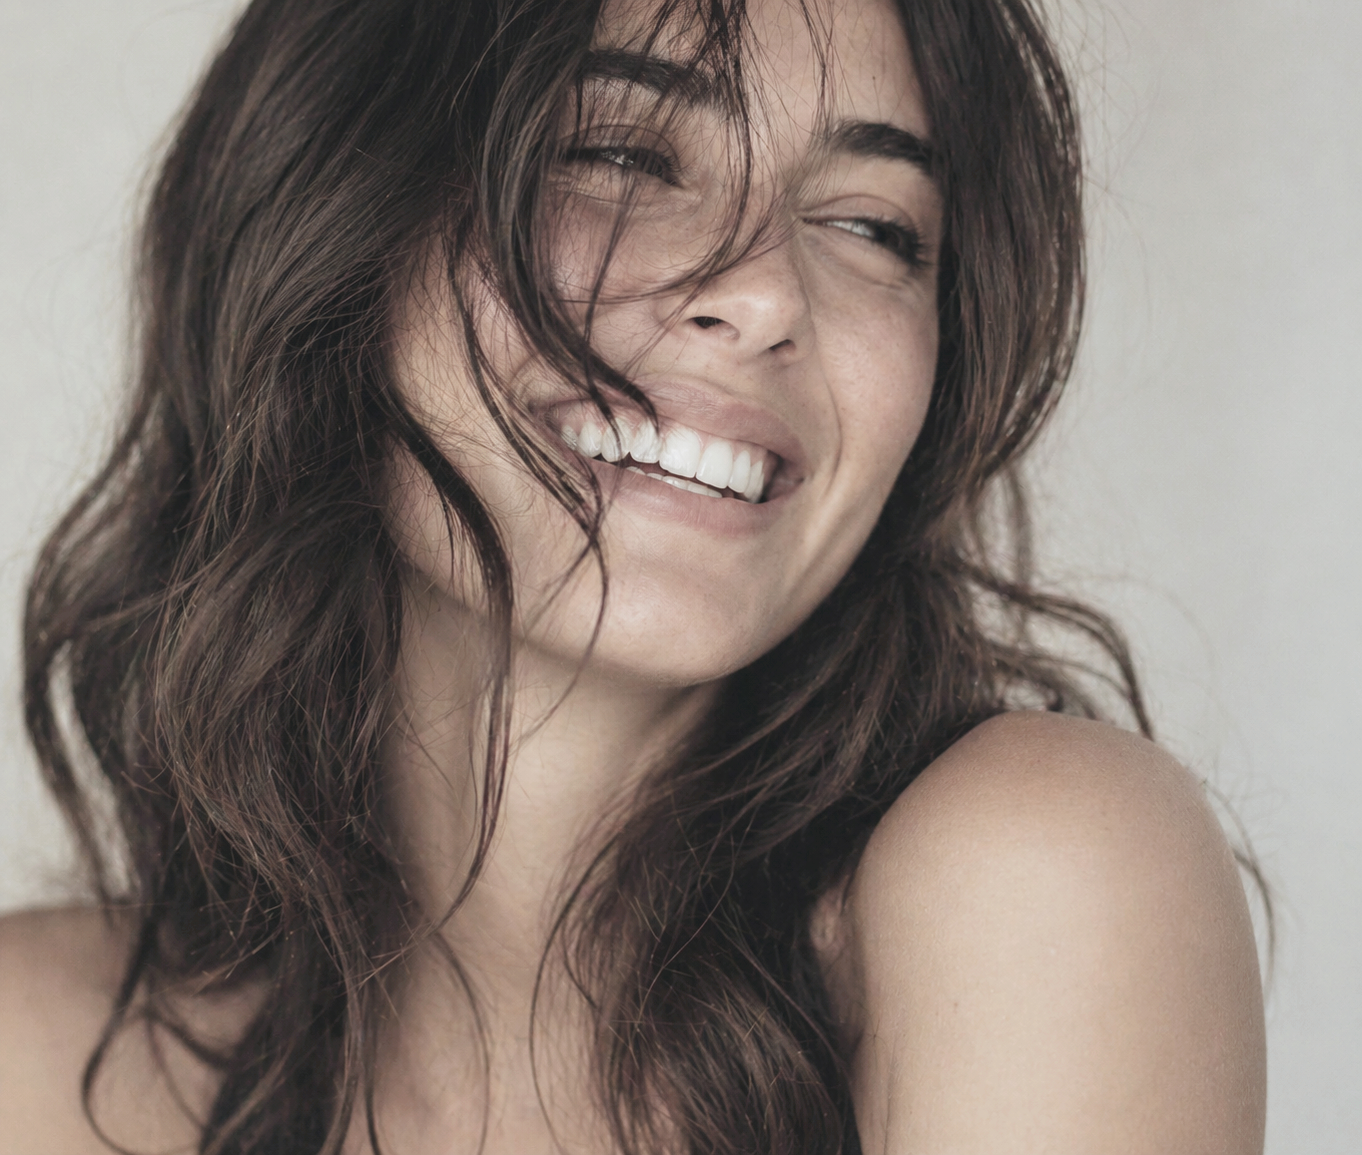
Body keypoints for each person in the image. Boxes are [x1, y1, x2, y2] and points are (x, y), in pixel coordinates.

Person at [0, 0, 1267, 1151]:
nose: (764, 295)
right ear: (334, 215)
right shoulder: (40, 1066)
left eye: (875, 227)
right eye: (620, 156)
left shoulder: (1039, 880)